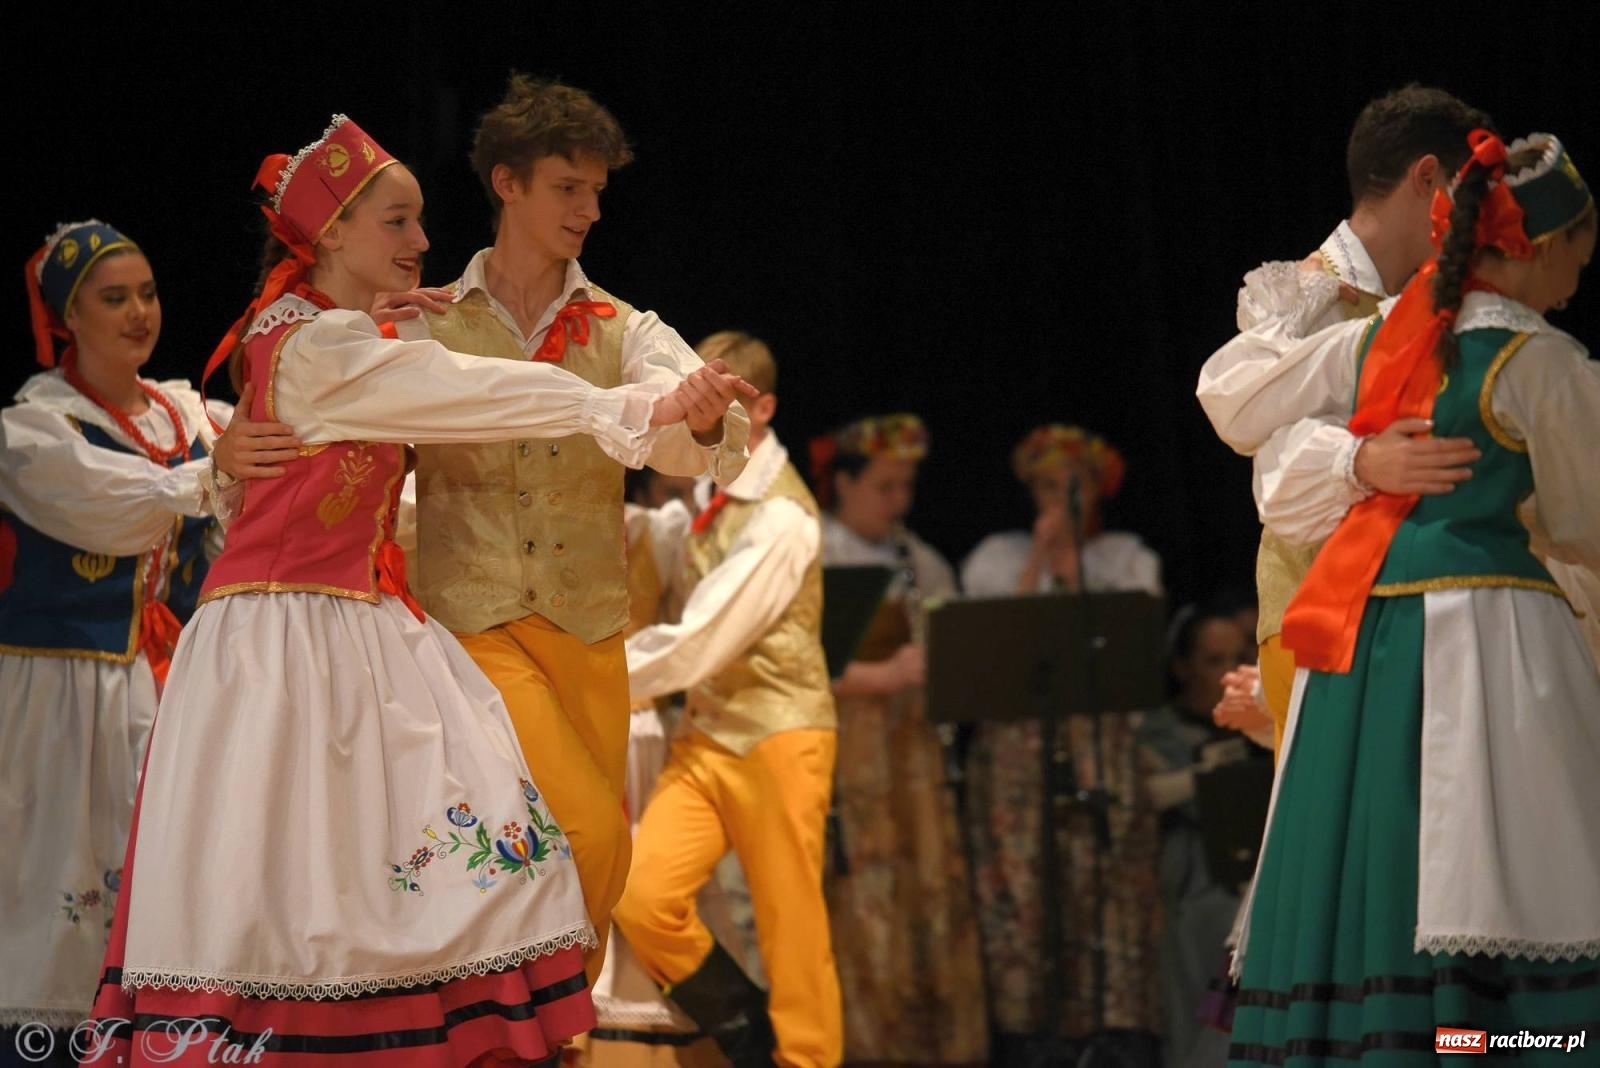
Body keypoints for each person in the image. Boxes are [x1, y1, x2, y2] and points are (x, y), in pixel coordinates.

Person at [83, 115, 749, 1068]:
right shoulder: (323, 344)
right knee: (321, 893)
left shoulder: (354, 330)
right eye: (396, 223)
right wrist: (613, 406)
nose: (420, 243)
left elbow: (325, 451)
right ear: (334, 234)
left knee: (447, 884)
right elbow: (463, 391)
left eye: (421, 222)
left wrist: (679, 409)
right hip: (291, 645)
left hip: (374, 629)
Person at [1214, 131, 1600, 1062]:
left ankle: (1395, 1040)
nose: (1579, 286)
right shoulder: (1536, 359)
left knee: (1375, 856)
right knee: (1494, 854)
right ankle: (1518, 1045)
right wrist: (1361, 460)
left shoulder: (1397, 329)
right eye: (1578, 263)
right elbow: (1586, 514)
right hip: (1485, 629)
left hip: (1367, 637)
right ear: (1538, 250)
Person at [1198, 86, 1493, 754]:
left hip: (1424, 613)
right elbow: (1258, 444)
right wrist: (1357, 460)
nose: (1476, 222)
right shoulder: (1303, 298)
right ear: (1426, 178)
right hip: (1323, 619)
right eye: (1466, 194)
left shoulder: (1447, 300)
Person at [0, 221, 231, 1066]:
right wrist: (224, 472)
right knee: (56, 888)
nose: (138, 312)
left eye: (147, 293)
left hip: (167, 687)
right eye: (113, 298)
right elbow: (119, 500)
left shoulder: (186, 410)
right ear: (69, 315)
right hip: (60, 690)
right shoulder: (34, 430)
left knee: (168, 880)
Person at [614, 332, 839, 1068]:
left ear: (763, 407)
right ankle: (748, 1030)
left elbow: (700, 639)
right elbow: (672, 547)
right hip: (710, 738)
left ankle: (806, 1059)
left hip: (779, 735)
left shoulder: (783, 519)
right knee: (642, 896)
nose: (701, 408)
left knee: (790, 924)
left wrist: (597, 678)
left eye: (723, 395)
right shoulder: (710, 490)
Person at [960, 424, 1164, 1061]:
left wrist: (1073, 569)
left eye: (1071, 485)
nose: (1057, 497)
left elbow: (1134, 649)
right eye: (1046, 486)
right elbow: (992, 648)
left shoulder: (1129, 557)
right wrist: (1037, 564)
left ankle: (1112, 1032)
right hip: (1017, 750)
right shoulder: (997, 554)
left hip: (1101, 743)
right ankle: (1030, 1033)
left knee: (1102, 879)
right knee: (1024, 884)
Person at [812, 412, 988, 1066]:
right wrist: (878, 675)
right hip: (849, 750)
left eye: (905, 488)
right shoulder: (814, 548)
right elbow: (794, 663)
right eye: (884, 486)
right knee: (864, 892)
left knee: (926, 888)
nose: (898, 502)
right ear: (845, 484)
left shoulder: (918, 557)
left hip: (912, 751)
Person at [1136, 605, 1258, 1068]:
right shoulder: (1159, 729)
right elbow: (1142, 796)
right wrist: (1204, 777)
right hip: (1194, 883)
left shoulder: (1262, 725)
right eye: (1213, 661)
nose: (1229, 673)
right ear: (1182, 667)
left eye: (1237, 657)